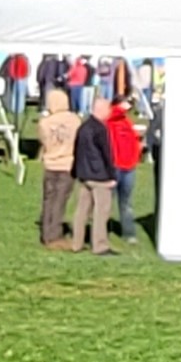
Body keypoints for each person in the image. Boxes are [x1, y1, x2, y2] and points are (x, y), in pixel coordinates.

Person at [71, 97, 119, 254]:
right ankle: (100, 245)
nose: (110, 112)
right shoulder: (100, 129)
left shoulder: (83, 127)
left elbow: (76, 151)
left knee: (81, 210)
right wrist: (112, 176)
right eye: (108, 109)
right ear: (101, 110)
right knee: (101, 211)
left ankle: (76, 243)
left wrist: (76, 171)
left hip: (84, 174)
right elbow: (106, 154)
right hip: (100, 176)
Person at [37, 88, 81, 248]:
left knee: (48, 199)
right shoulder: (75, 120)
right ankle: (54, 235)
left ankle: (45, 231)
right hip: (67, 165)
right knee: (60, 201)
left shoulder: (44, 123)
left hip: (50, 164)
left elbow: (44, 142)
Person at [107, 95, 146, 242]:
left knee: (126, 202)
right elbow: (115, 112)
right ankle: (103, 230)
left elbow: (133, 141)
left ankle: (129, 233)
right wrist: (127, 103)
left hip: (129, 167)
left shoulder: (126, 122)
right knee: (107, 201)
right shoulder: (110, 119)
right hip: (115, 166)